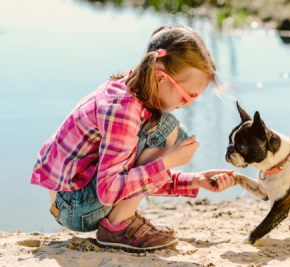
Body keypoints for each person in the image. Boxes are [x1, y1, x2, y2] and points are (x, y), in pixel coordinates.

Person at [30, 23, 236, 253]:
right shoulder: (123, 110)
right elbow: (109, 190)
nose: (188, 103)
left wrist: (194, 180)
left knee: (169, 132)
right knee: (170, 132)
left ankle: (121, 219)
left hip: (77, 197)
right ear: (161, 78)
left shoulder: (134, 92)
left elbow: (131, 172)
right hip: (74, 206)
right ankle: (118, 226)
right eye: (189, 96)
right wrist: (167, 162)